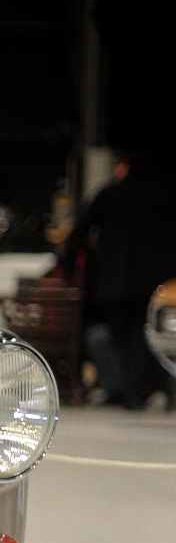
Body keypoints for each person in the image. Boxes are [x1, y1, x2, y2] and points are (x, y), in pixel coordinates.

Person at [61, 151, 176, 409]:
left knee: (119, 336)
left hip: (113, 280)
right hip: (151, 281)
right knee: (143, 334)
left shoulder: (109, 195)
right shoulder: (163, 196)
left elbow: (79, 232)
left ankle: (129, 391)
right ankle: (135, 391)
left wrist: (70, 267)